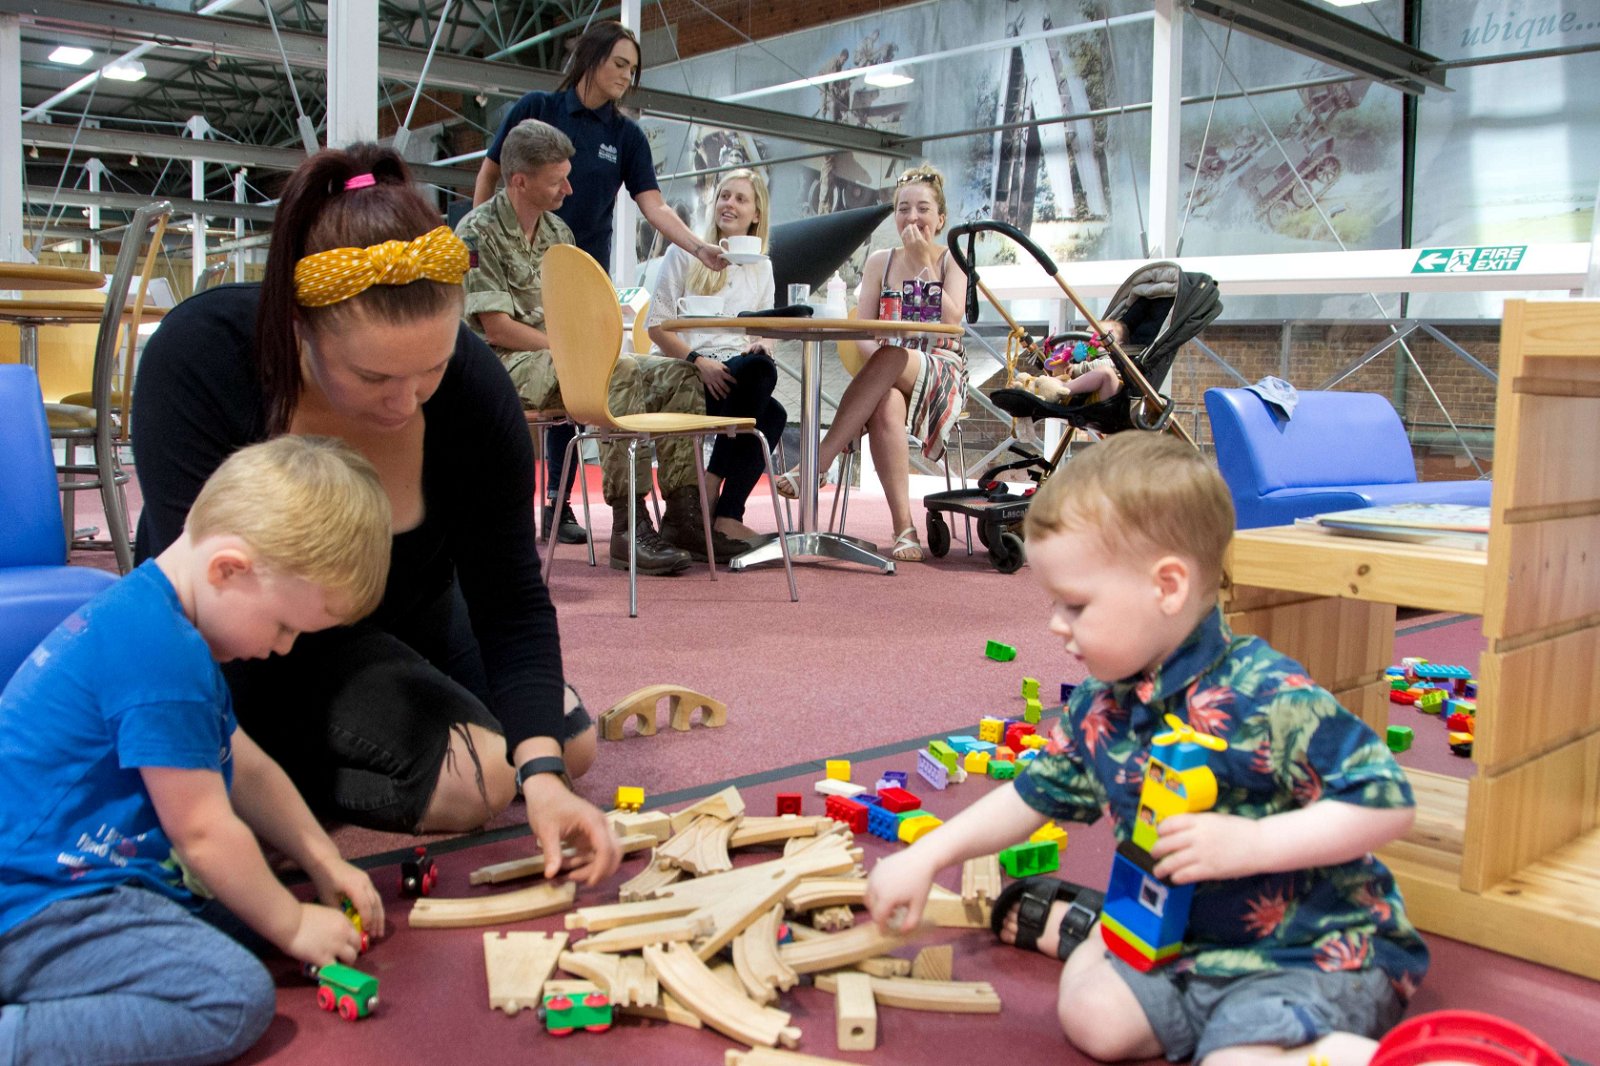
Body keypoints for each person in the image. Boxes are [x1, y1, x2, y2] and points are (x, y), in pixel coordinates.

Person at [132, 144, 620, 886]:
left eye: (430, 369)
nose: (406, 400)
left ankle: (390, 737)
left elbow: (511, 598)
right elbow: (200, 611)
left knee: (566, 743)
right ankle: (282, 777)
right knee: (481, 777)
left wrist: (547, 778)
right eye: (372, 376)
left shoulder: (470, 387)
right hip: (261, 640)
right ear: (299, 326)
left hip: (409, 614)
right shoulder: (205, 357)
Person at [866, 432, 1428, 1066]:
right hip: (1185, 939)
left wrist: (1252, 845)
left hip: (1309, 952)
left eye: (1076, 605)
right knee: (1093, 1020)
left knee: (1235, 1061)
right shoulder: (1103, 704)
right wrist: (927, 856)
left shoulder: (1266, 694)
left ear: (1167, 587)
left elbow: (1388, 804)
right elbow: (1032, 796)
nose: (1056, 623)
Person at [0, 436, 390, 1066]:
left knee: (246, 908)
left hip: (79, 881)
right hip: (35, 906)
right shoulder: (162, 652)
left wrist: (321, 857)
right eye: (284, 625)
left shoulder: (160, 621)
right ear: (228, 569)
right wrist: (290, 925)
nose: (285, 647)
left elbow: (247, 769)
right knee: (232, 998)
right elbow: (204, 832)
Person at [473, 20, 729, 548]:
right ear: (590, 58)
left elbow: (652, 204)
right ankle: (627, 525)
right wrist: (485, 227)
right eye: (619, 62)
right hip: (513, 342)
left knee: (679, 376)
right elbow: (491, 173)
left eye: (633, 69)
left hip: (575, 266)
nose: (627, 76)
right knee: (604, 372)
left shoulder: (623, 139)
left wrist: (697, 246)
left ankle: (683, 517)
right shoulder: (534, 114)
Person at [775, 164, 969, 564]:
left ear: (940, 217)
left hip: (939, 368)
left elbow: (951, 323)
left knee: (895, 355)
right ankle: (904, 529)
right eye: (902, 209)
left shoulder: (952, 261)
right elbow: (862, 331)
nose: (912, 217)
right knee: (884, 403)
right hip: (886, 368)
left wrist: (922, 263)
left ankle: (816, 463)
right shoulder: (880, 261)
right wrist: (879, 367)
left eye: (922, 209)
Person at [645, 168, 786, 543]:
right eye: (724, 195)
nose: (729, 204)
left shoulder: (764, 267)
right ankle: (720, 505)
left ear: (757, 213)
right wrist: (697, 361)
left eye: (740, 199)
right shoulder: (683, 252)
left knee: (766, 388)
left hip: (737, 375)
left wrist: (765, 344)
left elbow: (763, 329)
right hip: (686, 369)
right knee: (766, 404)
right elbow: (656, 326)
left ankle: (722, 505)